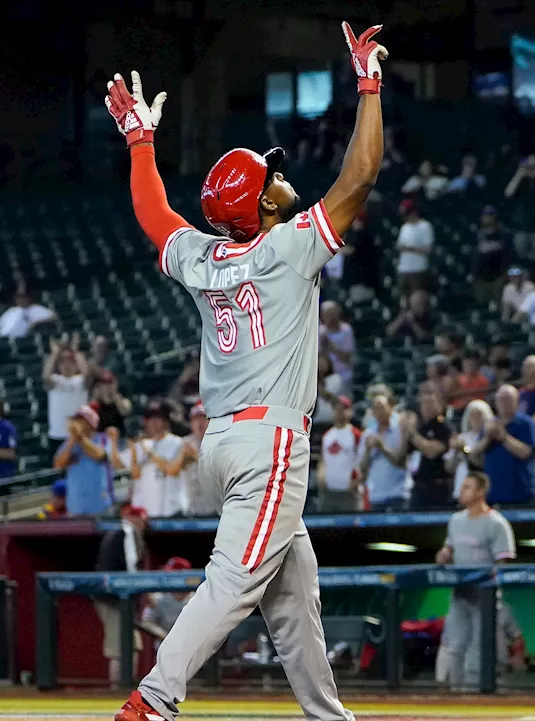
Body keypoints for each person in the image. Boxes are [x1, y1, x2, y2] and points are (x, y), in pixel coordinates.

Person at [106, 25, 385, 720]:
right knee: (232, 580)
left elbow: (153, 213)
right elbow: (362, 174)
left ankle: (327, 714)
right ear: (260, 205)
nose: (283, 179)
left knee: (293, 596)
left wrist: (141, 143)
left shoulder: (204, 257)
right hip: (270, 444)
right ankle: (155, 697)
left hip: (225, 444)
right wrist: (369, 86)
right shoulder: (289, 247)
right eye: (272, 177)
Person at [434, 472, 518, 690]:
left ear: (481, 491)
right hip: (460, 593)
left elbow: (503, 561)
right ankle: (453, 692)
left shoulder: (496, 523)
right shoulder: (455, 520)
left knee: (480, 648)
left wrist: (485, 580)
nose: (462, 492)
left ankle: (477, 696)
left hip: (485, 596)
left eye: (467, 487)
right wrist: (443, 555)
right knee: (453, 644)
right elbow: (448, 549)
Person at [96, 504, 147, 689]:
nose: (143, 524)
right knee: (119, 648)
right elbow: (131, 564)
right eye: (141, 519)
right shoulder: (126, 531)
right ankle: (116, 690)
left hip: (119, 599)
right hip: (113, 598)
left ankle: (123, 687)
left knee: (132, 644)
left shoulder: (117, 532)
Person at [475, 385, 535, 506]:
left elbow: (525, 452)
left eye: (508, 399)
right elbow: (475, 456)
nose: (505, 403)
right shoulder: (490, 425)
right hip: (492, 493)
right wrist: (487, 438)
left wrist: (504, 437)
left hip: (520, 493)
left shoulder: (526, 423)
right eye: (501, 400)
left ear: (517, 402)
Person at [123, 401, 188, 518]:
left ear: (166, 421)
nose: (154, 423)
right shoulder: (141, 444)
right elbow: (132, 472)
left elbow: (171, 470)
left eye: (158, 418)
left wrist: (149, 454)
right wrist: (133, 451)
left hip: (172, 510)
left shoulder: (178, 443)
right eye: (150, 419)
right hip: (145, 511)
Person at [54, 406, 113, 517]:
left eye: (80, 420)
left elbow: (99, 455)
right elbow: (58, 464)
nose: (77, 423)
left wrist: (80, 438)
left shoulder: (103, 439)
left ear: (90, 423)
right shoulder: (70, 442)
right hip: (76, 506)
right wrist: (72, 441)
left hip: (99, 505)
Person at [355, 393, 411, 512]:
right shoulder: (367, 435)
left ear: (391, 408)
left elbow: (401, 462)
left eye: (382, 407)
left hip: (398, 493)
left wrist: (382, 447)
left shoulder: (399, 431)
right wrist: (368, 451)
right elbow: (361, 469)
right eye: (376, 408)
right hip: (376, 496)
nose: (379, 411)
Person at [406, 388, 454, 510]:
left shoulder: (443, 427)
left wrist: (410, 433)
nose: (427, 407)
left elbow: (431, 452)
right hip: (417, 486)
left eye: (430, 403)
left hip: (437, 486)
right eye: (424, 404)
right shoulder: (420, 428)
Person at [317, 397, 360, 513]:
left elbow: (362, 460)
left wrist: (357, 481)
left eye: (343, 409)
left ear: (350, 411)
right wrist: (320, 474)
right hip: (329, 491)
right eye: (337, 409)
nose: (339, 411)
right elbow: (322, 458)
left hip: (348, 491)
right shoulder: (327, 435)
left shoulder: (355, 434)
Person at [395, 198, 434, 292]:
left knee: (417, 298)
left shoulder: (425, 226)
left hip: (418, 268)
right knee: (403, 299)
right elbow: (399, 245)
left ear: (414, 212)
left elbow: (428, 249)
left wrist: (410, 248)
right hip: (403, 268)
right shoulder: (405, 227)